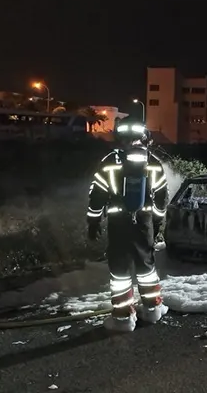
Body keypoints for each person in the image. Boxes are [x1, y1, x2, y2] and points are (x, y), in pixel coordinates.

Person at [86, 118, 170, 332]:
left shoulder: (109, 161)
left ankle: (123, 319)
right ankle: (152, 311)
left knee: (120, 271)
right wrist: (157, 223)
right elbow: (161, 197)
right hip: (144, 223)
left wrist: (93, 222)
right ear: (145, 137)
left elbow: (97, 195)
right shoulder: (153, 162)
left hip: (118, 222)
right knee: (147, 267)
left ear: (119, 137)